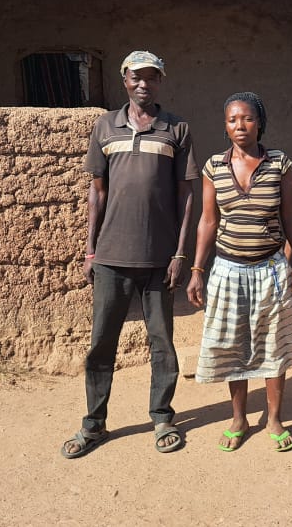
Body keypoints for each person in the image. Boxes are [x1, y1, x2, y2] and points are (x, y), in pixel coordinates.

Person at [61, 50, 197, 459]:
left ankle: (162, 418)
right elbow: (97, 192)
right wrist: (90, 250)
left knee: (162, 343)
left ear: (160, 81)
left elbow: (186, 195)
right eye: (136, 77)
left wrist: (180, 253)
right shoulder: (105, 126)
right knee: (102, 343)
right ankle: (94, 424)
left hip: (159, 259)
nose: (143, 84)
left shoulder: (176, 128)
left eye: (151, 77)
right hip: (110, 256)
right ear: (124, 80)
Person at [187, 92, 292, 453]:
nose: (240, 125)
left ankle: (274, 418)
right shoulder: (214, 166)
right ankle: (239, 419)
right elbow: (208, 220)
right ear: (225, 125)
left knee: (273, 345)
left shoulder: (279, 163)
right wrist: (197, 269)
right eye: (232, 119)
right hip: (228, 270)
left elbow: (290, 216)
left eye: (247, 118)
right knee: (235, 346)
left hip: (270, 268)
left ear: (259, 123)